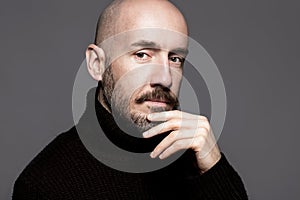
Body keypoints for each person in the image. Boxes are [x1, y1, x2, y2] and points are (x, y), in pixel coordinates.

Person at [13, 0, 248, 199]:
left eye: (175, 59)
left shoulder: (196, 160)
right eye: (143, 54)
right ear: (97, 65)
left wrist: (215, 169)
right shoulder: (46, 184)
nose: (165, 78)